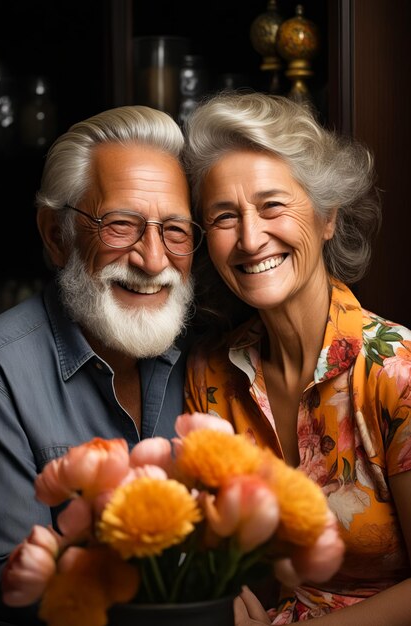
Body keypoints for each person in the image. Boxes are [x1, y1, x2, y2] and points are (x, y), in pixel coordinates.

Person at [182, 91, 411, 624]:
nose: (250, 237)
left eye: (272, 206)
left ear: (327, 216)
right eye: (223, 216)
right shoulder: (208, 372)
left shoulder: (396, 369)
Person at [0, 104, 204, 624]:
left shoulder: (212, 352)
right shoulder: (2, 372)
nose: (153, 260)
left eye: (175, 230)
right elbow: (13, 588)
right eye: (121, 224)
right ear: (55, 234)